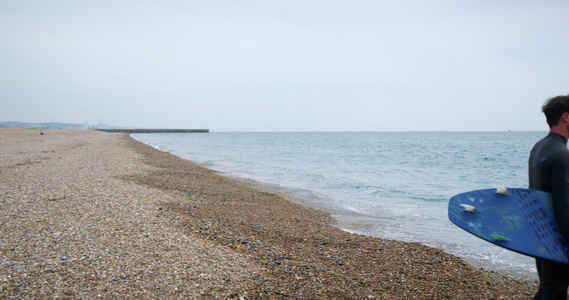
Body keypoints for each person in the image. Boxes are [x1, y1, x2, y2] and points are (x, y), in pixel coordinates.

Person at [529, 95, 569, 299]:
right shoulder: (562, 155)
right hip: (557, 245)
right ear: (566, 117)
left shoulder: (538, 148)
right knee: (555, 293)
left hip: (542, 239)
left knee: (547, 291)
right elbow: (563, 210)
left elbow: (531, 198)